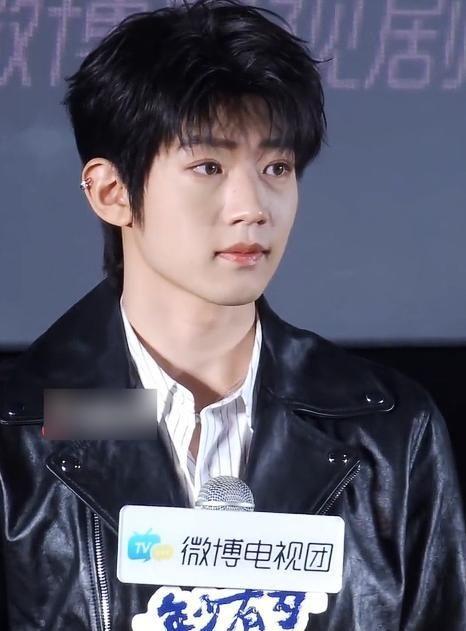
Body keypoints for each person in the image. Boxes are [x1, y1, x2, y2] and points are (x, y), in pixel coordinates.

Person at [1, 1, 465, 629]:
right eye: (208, 167)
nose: (252, 206)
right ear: (113, 192)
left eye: (276, 167)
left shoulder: (387, 430)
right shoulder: (20, 434)